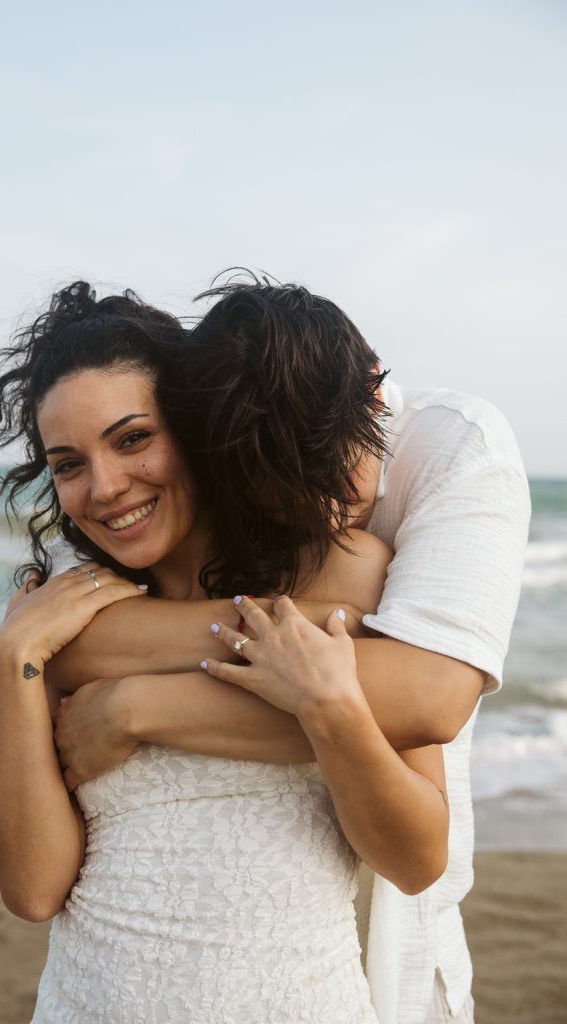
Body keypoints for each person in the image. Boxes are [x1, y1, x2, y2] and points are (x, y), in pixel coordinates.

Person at [49, 276, 530, 1023]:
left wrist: (137, 705)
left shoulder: (454, 447)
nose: (324, 508)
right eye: (282, 484)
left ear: (376, 393)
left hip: (359, 922)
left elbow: (429, 697)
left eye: (333, 471)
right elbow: (72, 642)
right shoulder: (208, 484)